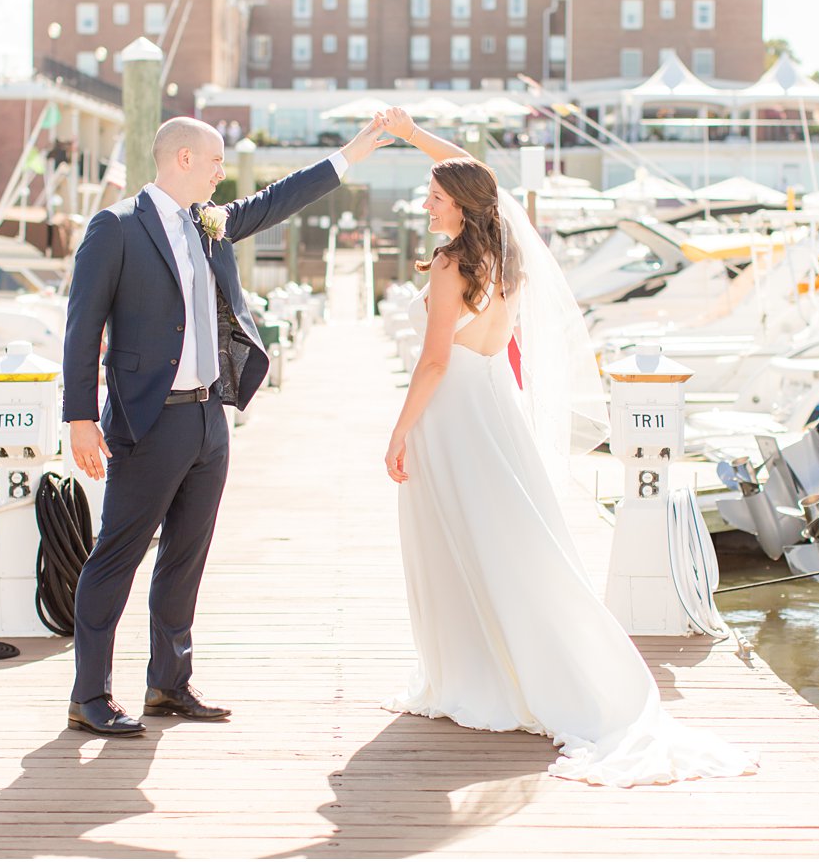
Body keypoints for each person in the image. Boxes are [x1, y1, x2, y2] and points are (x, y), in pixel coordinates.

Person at [378, 106, 757, 786]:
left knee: (457, 540)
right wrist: (412, 135)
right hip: (497, 407)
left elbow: (434, 362)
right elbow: (478, 173)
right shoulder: (504, 257)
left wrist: (400, 428)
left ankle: (477, 673)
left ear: (459, 207)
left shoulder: (447, 266)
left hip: (455, 411)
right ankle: (500, 665)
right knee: (510, 540)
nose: (425, 202)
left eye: (434, 196)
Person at [62, 114, 392, 737]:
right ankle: (90, 695)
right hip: (146, 419)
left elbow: (276, 201)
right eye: (215, 161)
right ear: (182, 159)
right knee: (118, 557)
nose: (222, 172)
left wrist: (348, 156)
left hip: (209, 417)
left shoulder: (207, 222)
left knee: (186, 557)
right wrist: (79, 417)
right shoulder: (117, 227)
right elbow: (83, 327)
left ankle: (169, 685)